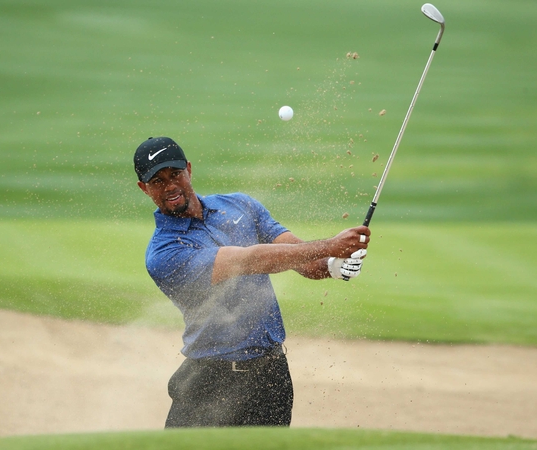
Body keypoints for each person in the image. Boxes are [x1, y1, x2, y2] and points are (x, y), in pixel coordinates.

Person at [134, 136, 369, 428]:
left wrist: (333, 264)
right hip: (210, 381)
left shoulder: (240, 206)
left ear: (189, 170)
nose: (169, 185)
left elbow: (300, 258)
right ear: (144, 188)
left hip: (271, 379)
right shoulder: (164, 253)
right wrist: (329, 246)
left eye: (175, 174)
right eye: (157, 181)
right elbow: (248, 261)